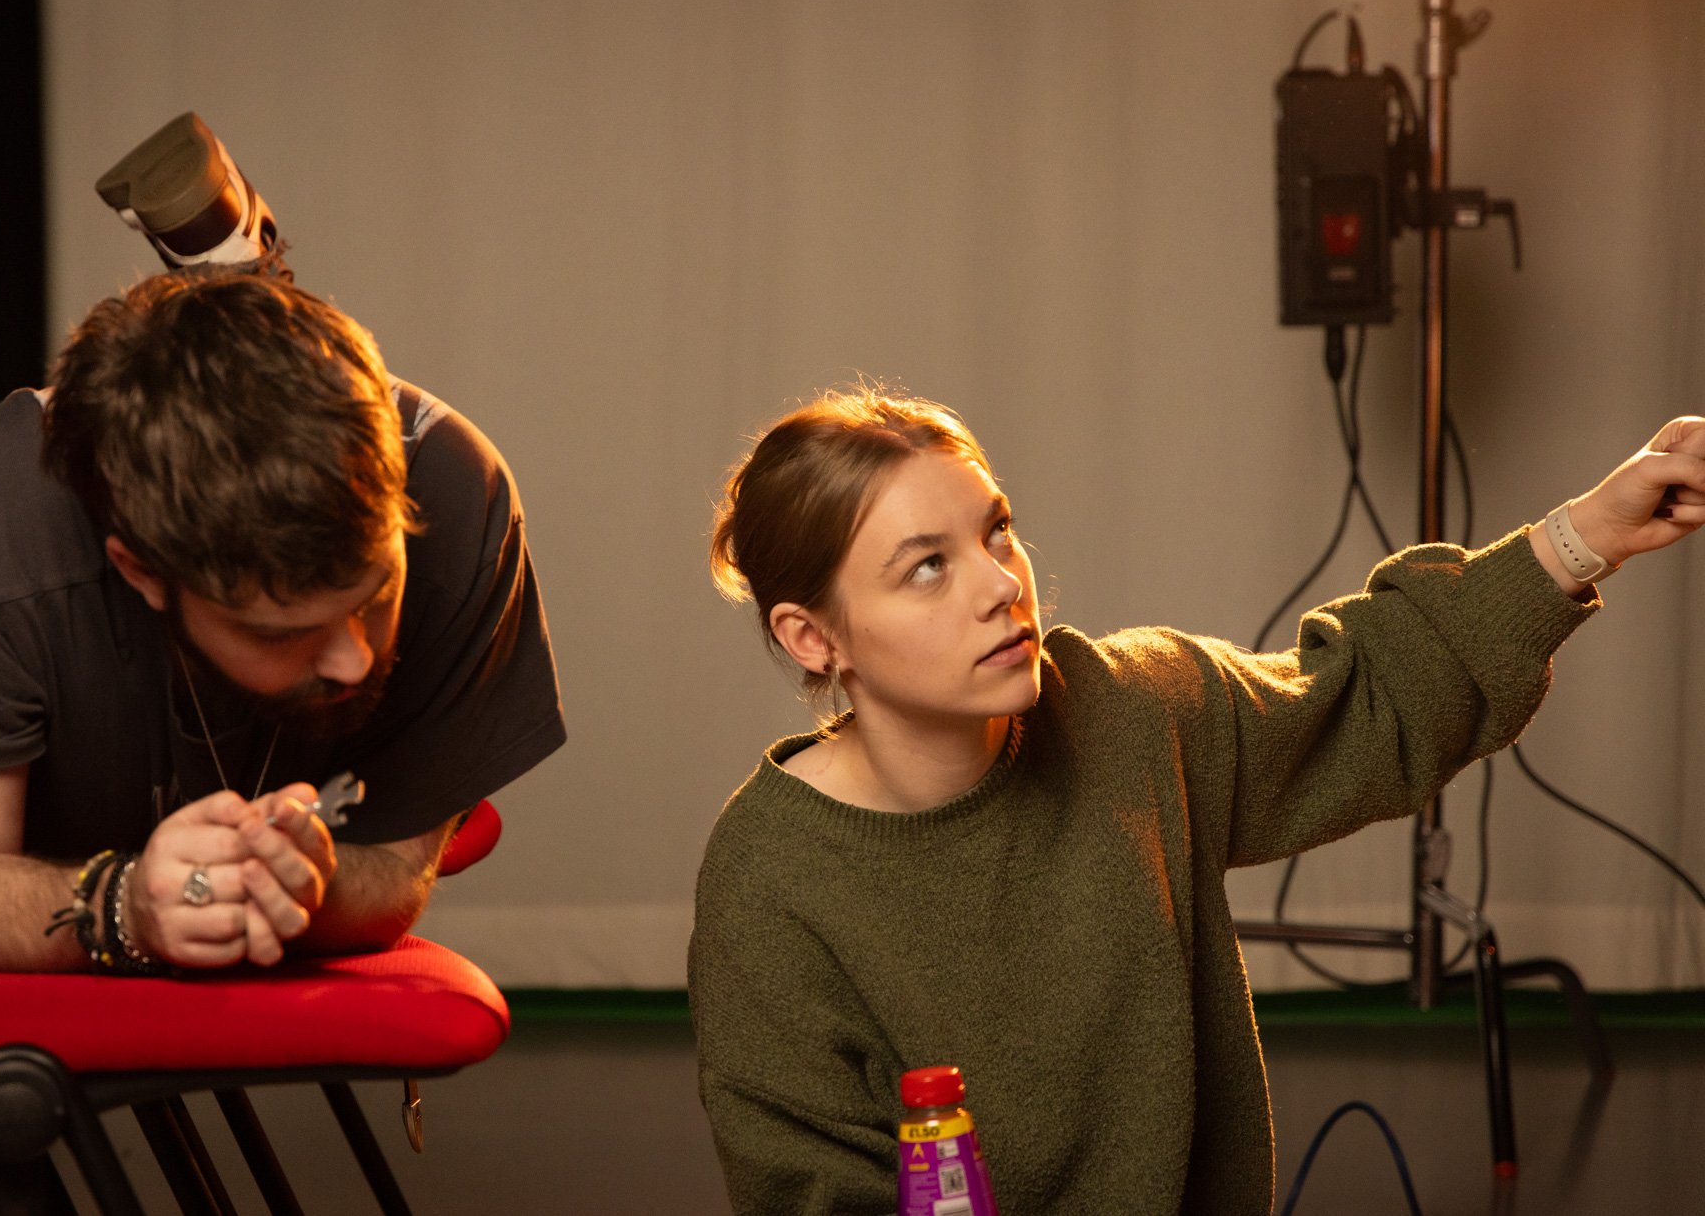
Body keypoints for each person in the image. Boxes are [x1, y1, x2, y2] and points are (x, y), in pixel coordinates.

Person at [689, 389, 1704, 1214]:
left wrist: (1588, 534)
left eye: (995, 532)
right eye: (925, 567)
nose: (999, 585)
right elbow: (808, 1189)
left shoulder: (1131, 711)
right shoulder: (769, 880)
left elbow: (1372, 693)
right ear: (811, 639)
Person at [0, 265, 564, 973]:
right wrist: (129, 907)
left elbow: (398, 862)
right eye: (279, 632)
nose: (354, 659)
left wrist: (302, 884)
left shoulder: (458, 494)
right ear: (142, 571)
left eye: (375, 596)